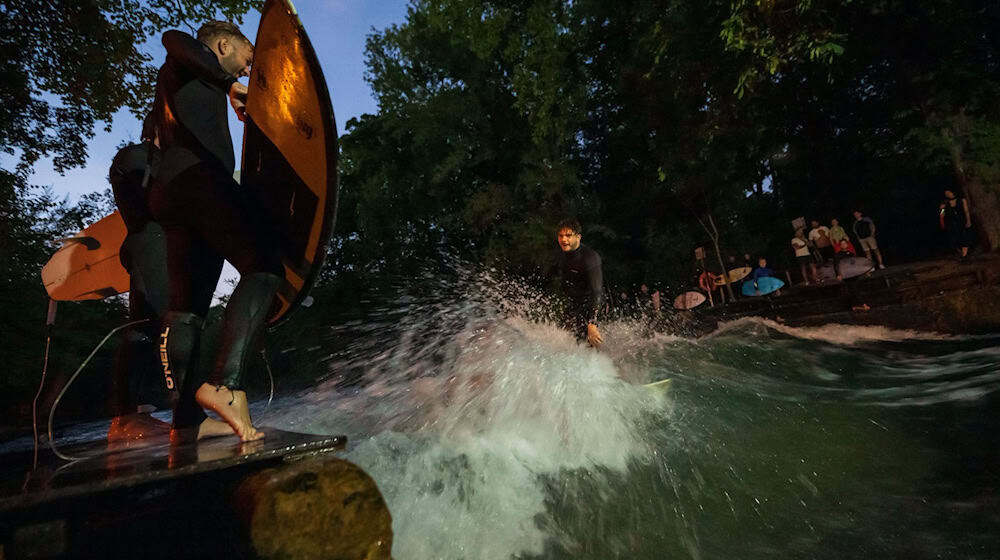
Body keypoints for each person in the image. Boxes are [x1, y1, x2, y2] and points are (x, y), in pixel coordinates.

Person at [148, 22, 285, 442]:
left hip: (173, 193)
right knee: (265, 264)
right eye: (247, 59)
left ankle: (186, 422)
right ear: (223, 45)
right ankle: (225, 384)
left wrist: (227, 91)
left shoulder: (182, 82)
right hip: (200, 180)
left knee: (186, 311)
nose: (247, 70)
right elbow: (173, 38)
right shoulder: (185, 57)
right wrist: (228, 84)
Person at [553, 219, 603, 348]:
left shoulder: (590, 258)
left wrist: (592, 322)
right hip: (575, 306)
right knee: (563, 341)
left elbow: (597, 291)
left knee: (588, 345)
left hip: (592, 306)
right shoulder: (562, 255)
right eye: (561, 236)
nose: (564, 239)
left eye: (568, 235)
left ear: (578, 237)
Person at [940, 190, 972, 259]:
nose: (948, 194)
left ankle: (965, 255)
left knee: (964, 237)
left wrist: (968, 220)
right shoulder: (946, 203)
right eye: (946, 194)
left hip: (961, 221)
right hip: (951, 223)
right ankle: (960, 254)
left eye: (949, 192)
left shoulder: (962, 200)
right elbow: (942, 214)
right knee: (954, 239)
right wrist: (942, 210)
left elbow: (966, 211)